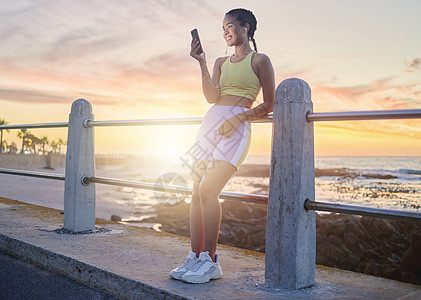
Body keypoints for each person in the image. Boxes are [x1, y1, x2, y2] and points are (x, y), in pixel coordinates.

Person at [170, 8, 275, 284]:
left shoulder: (260, 60)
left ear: (246, 27)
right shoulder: (220, 62)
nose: (226, 32)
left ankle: (210, 260)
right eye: (223, 29)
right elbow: (211, 96)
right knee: (195, 191)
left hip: (235, 131)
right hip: (208, 127)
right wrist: (202, 63)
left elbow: (269, 104)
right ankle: (194, 257)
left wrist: (239, 118)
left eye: (230, 26)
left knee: (208, 189)